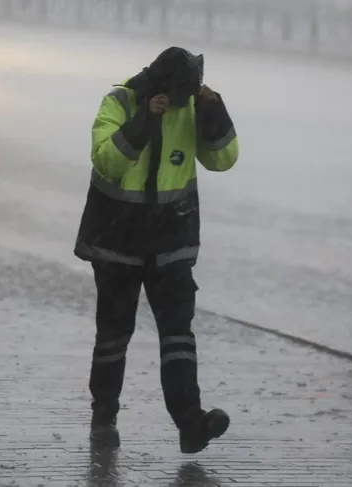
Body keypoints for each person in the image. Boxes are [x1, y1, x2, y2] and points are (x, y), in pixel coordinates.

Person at [74, 46, 239, 454]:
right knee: (114, 335)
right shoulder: (119, 101)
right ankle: (104, 415)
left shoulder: (190, 107)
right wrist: (145, 117)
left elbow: (224, 159)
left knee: (178, 336)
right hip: (118, 243)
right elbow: (107, 161)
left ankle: (191, 423)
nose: (182, 101)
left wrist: (214, 111)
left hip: (171, 244)